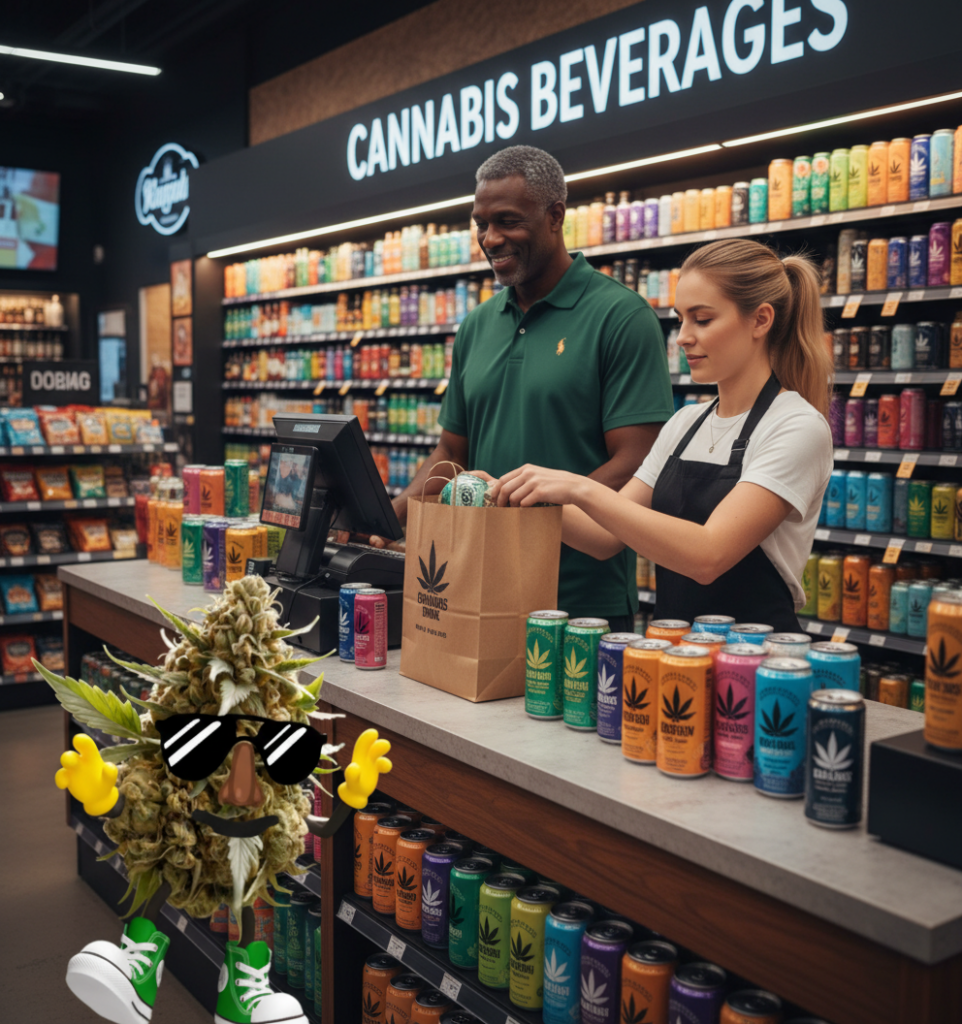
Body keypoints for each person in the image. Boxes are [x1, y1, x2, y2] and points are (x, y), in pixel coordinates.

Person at [376, 145, 674, 629]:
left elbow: (637, 460)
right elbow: (453, 452)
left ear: (555, 216)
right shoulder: (476, 326)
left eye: (507, 222)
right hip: (477, 582)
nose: (490, 238)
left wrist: (532, 506)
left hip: (581, 598)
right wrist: (391, 518)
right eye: (481, 224)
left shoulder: (621, 317)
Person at [491, 239, 834, 631]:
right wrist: (514, 494)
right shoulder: (685, 423)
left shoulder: (796, 426)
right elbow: (603, 537)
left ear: (760, 320)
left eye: (702, 319)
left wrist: (579, 488)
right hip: (675, 653)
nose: (683, 336)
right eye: (681, 318)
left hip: (755, 658)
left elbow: (708, 554)